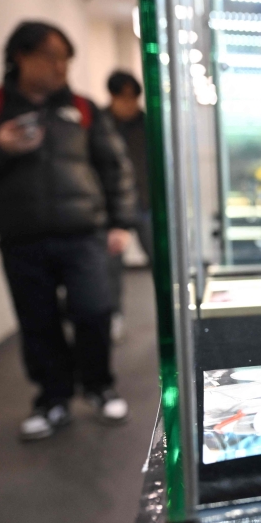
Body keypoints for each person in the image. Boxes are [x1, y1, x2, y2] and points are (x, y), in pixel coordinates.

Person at [0, 21, 137, 440]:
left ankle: (98, 386)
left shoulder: (84, 108)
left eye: (65, 59)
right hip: (21, 236)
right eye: (51, 57)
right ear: (21, 56)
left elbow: (114, 167)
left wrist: (120, 222)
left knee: (94, 311)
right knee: (38, 321)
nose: (60, 67)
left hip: (84, 232)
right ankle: (53, 400)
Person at [105, 70, 152, 340]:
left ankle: (170, 314)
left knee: (159, 261)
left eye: (131, 98)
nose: (127, 103)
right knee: (111, 269)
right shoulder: (100, 124)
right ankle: (114, 315)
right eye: (121, 98)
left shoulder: (148, 124)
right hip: (113, 210)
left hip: (145, 204)